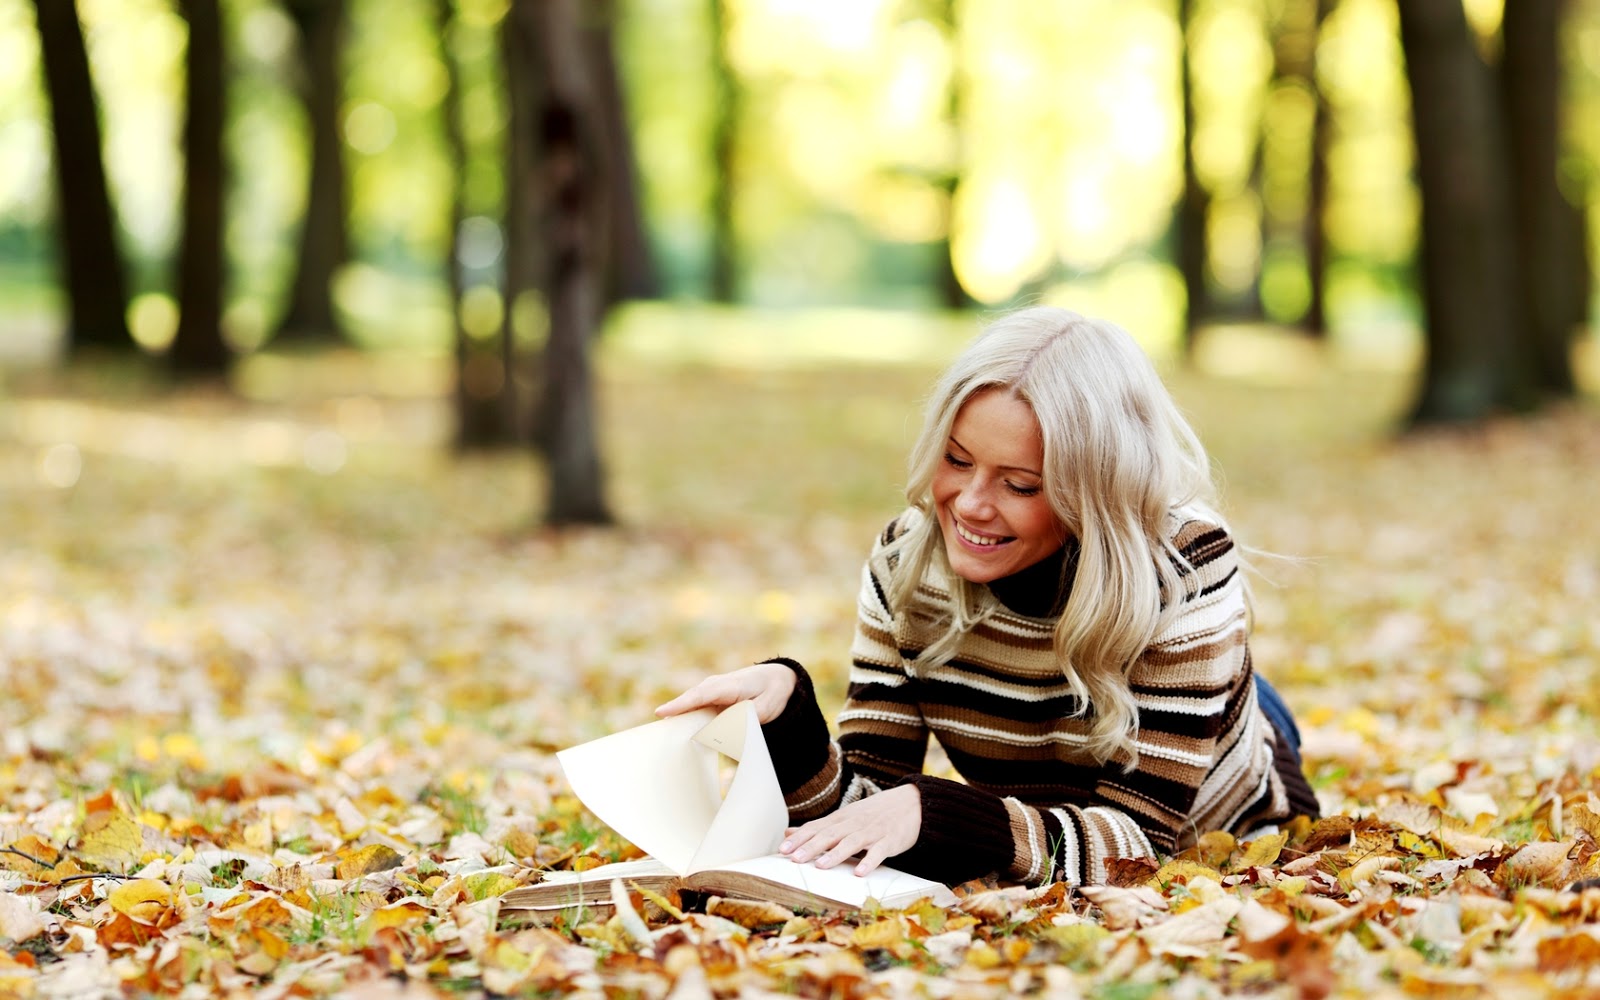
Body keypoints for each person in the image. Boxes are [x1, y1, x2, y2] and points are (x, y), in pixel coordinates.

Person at [657, 306, 1320, 888]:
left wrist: (945, 812)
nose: (970, 505)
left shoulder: (1186, 568)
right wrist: (790, 722)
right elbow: (866, 811)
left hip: (1208, 761)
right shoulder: (907, 565)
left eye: (1021, 485)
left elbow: (1141, 847)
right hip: (1048, 778)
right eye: (956, 459)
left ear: (1092, 493)